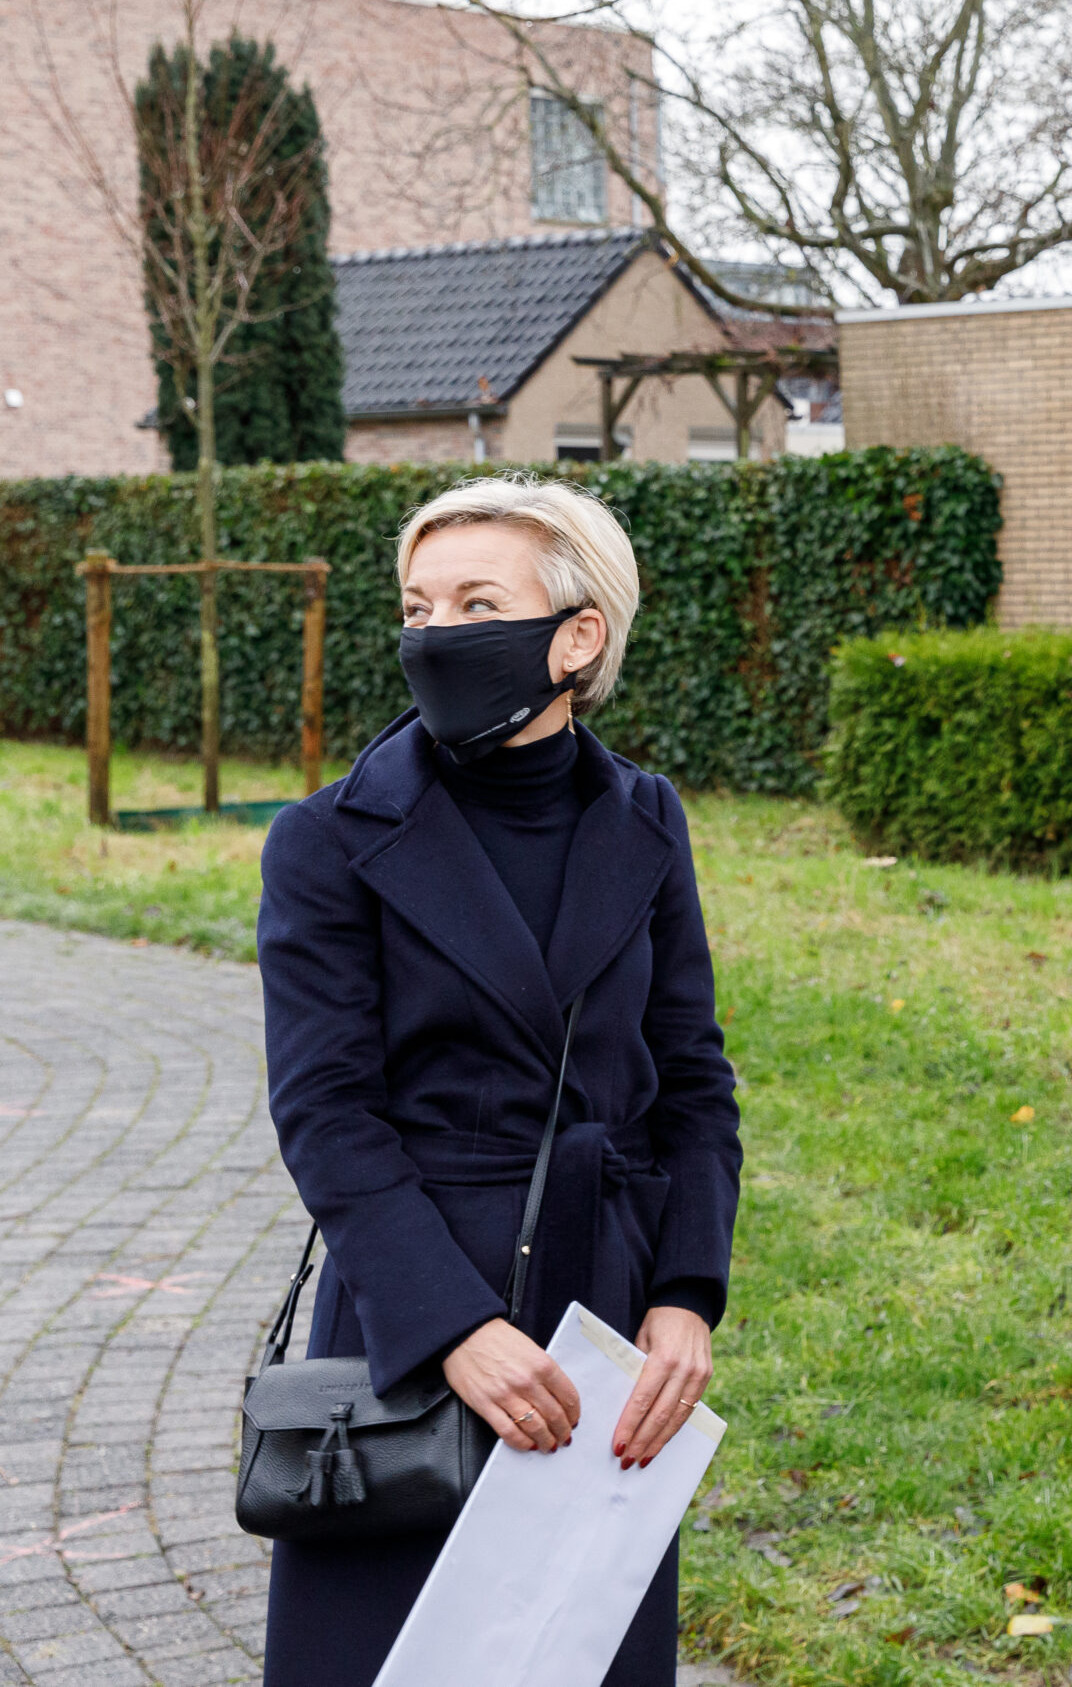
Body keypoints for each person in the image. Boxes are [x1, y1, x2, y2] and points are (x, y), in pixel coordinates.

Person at [255, 476, 742, 1686]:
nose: (434, 637)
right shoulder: (327, 838)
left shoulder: (647, 819)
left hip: (604, 1316)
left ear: (577, 638)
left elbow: (692, 1077)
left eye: (478, 604)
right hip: (414, 1314)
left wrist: (686, 1294)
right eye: (418, 608)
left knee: (574, 1651)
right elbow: (326, 1111)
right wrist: (452, 1330)